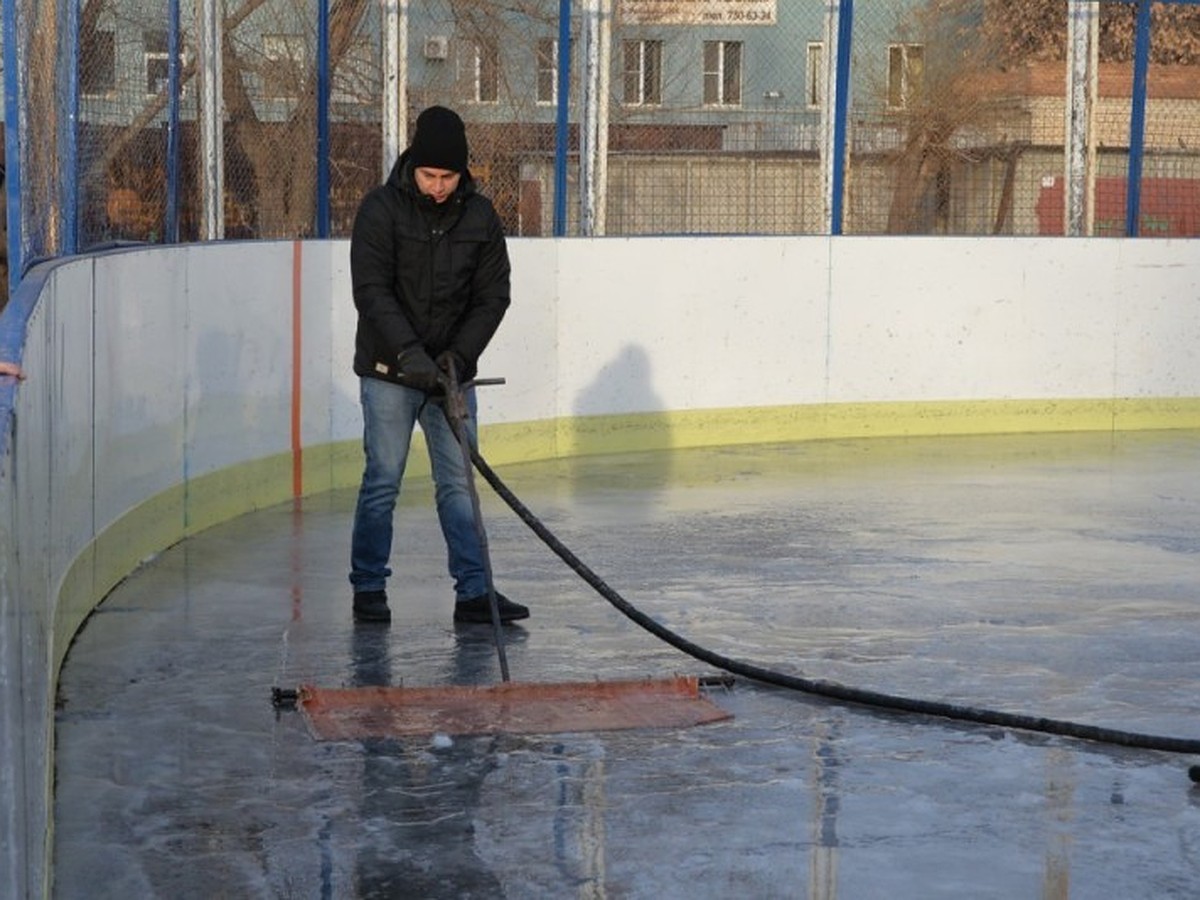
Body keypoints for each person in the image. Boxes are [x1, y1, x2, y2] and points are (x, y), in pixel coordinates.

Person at [347, 105, 528, 626]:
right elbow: (372, 292)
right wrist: (410, 355)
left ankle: (475, 592)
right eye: (430, 175)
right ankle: (369, 588)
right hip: (390, 373)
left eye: (449, 176)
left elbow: (493, 296)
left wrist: (459, 355)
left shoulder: (480, 217)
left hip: (451, 376)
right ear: (413, 165)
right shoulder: (380, 210)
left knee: (458, 482)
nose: (439, 187)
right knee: (383, 478)